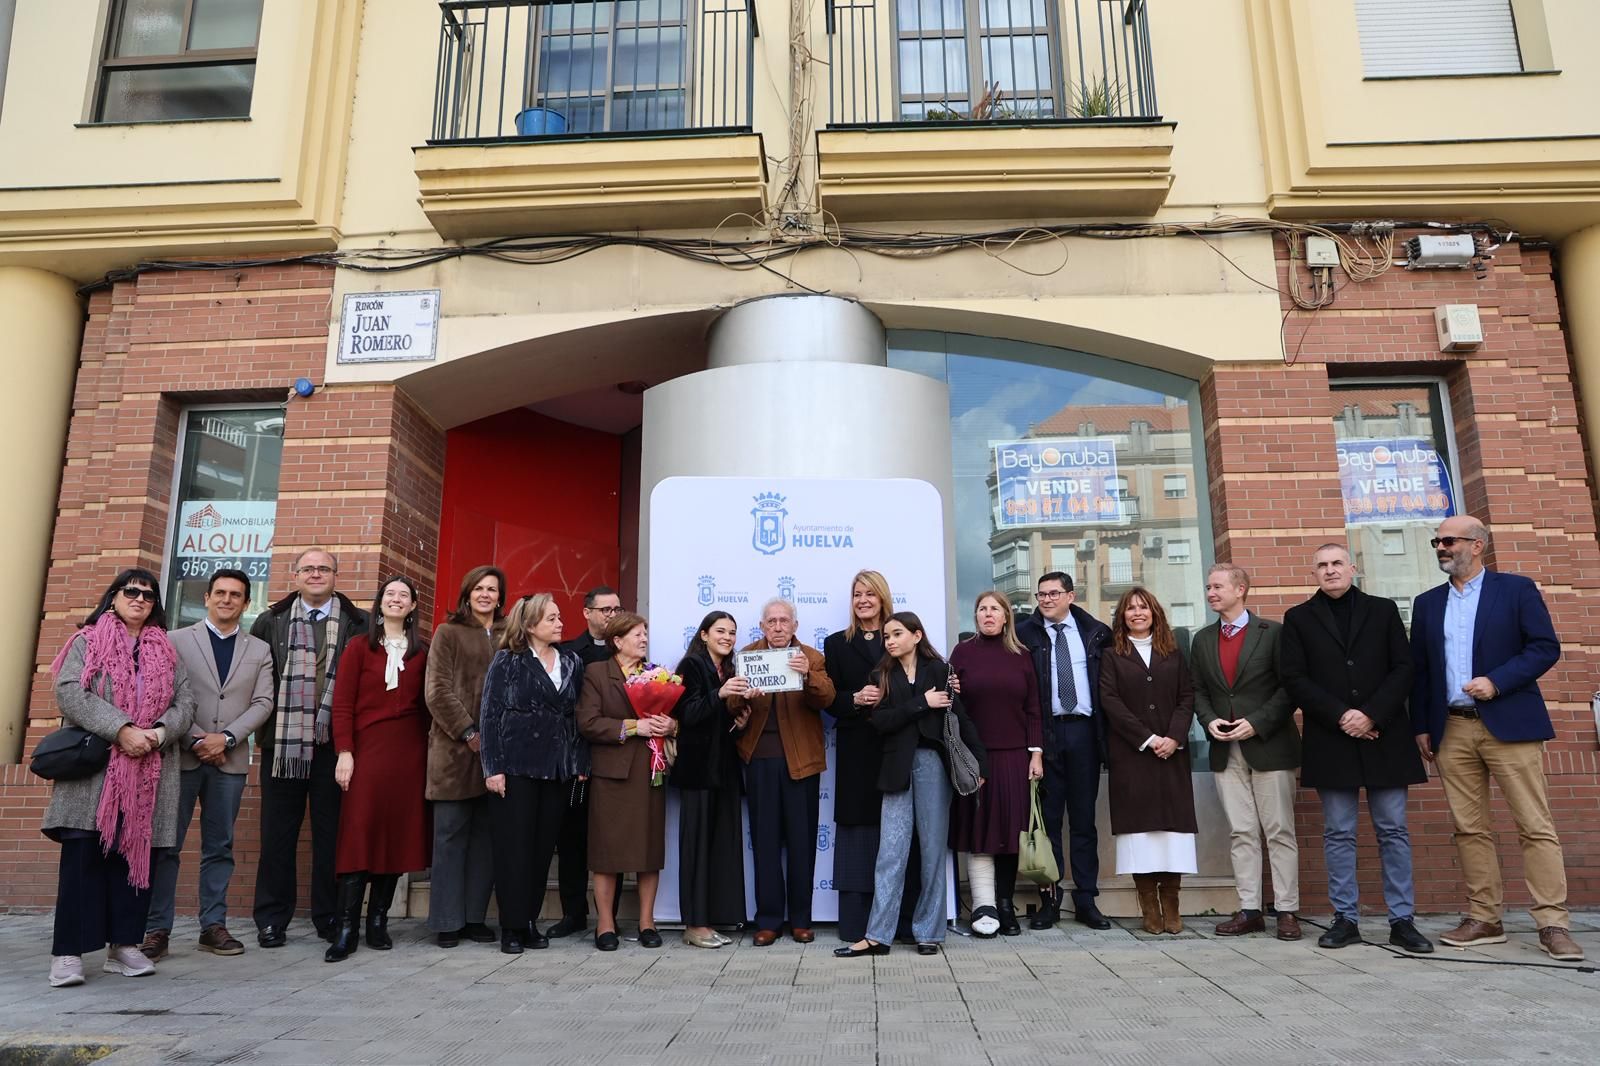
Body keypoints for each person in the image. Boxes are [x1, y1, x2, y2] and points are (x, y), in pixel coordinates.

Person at [1410, 516, 1582, 962]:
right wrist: (1422, 725)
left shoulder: (1516, 589)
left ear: (1478, 545)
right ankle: (1485, 917)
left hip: (1509, 723)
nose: (1441, 548)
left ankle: (1552, 923)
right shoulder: (1427, 603)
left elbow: (1544, 647)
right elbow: (1422, 670)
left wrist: (1497, 682)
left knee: (1535, 825)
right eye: (1437, 542)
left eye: (1449, 541)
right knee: (1470, 828)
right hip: (1452, 728)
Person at [43, 569, 196, 988]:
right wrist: (122, 729)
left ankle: (124, 946)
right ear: (113, 597)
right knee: (82, 863)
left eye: (148, 595)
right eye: (131, 591)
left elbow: (185, 701)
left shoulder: (166, 651)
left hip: (149, 773)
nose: (140, 599)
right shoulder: (86, 641)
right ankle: (67, 954)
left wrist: (160, 732)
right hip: (94, 775)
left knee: (133, 863)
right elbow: (70, 693)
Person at [1280, 543, 1432, 954]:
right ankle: (1345, 918)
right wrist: (1342, 716)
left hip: (1384, 736)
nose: (1329, 571)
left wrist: (1371, 715)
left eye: (1336, 564)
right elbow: (1293, 677)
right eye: (1321, 565)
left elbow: (1404, 668)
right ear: (1313, 573)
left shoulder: (1383, 610)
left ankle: (1402, 920)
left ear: (1353, 567)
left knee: (1393, 830)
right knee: (1339, 832)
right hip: (1331, 739)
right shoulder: (1297, 618)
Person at [834, 612, 986, 958]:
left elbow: (960, 718)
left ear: (917, 635)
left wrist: (980, 764)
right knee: (890, 853)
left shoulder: (941, 670)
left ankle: (929, 932)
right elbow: (880, 721)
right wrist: (922, 704)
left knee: (932, 852)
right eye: (886, 635)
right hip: (895, 768)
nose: (889, 640)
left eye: (896, 633)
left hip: (934, 765)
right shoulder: (881, 674)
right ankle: (878, 936)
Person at [141, 568, 274, 963]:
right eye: (220, 593)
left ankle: (212, 926)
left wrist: (227, 739)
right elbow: (161, 695)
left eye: (236, 595)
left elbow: (263, 703)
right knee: (166, 845)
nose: (227, 600)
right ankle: (156, 929)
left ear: (247, 603)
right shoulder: (175, 640)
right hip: (181, 755)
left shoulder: (259, 649)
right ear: (208, 597)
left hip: (230, 761)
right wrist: (197, 738)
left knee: (220, 846)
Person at [251, 548, 369, 948]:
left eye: (324, 569)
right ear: (295, 575)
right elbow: (256, 681)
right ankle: (271, 919)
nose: (316, 574)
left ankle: (329, 917)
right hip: (281, 746)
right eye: (308, 569)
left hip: (335, 747)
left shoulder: (359, 623)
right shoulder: (271, 621)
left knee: (330, 834)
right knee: (277, 836)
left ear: (336, 575)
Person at [1189, 564, 1302, 941]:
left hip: (1269, 746)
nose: (1210, 593)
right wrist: (1208, 721)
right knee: (1241, 832)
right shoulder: (1203, 639)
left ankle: (1286, 911)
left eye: (1217, 586)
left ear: (1241, 589)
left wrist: (1257, 722)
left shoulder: (1274, 633)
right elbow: (1199, 691)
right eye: (1207, 587)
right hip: (1226, 750)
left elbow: (1290, 689)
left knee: (1279, 831)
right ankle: (1250, 909)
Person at [324, 576, 432, 963]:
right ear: (379, 603)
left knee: (396, 836)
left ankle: (378, 922)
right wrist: (345, 752)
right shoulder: (358, 648)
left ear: (414, 605)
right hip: (366, 751)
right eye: (390, 594)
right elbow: (342, 705)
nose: (396, 599)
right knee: (359, 832)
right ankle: (347, 927)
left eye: (404, 595)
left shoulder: (423, 651)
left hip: (409, 754)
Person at [480, 593, 587, 954]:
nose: (560, 623)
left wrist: (577, 763)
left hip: (556, 770)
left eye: (559, 617)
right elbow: (490, 715)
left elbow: (576, 718)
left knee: (542, 850)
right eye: (552, 618)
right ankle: (510, 926)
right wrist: (493, 768)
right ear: (529, 626)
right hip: (515, 767)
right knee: (514, 849)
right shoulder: (508, 660)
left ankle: (528, 921)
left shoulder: (571, 661)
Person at [731, 598, 835, 946]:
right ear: (762, 626)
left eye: (784, 621)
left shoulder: (812, 656)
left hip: (801, 762)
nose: (777, 627)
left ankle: (802, 920)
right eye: (771, 621)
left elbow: (827, 699)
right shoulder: (747, 655)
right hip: (759, 760)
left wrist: (807, 674)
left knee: (803, 844)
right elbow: (732, 705)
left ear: (795, 625)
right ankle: (769, 921)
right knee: (764, 843)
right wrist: (741, 694)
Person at [823, 570, 916, 943]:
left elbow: (919, 684)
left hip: (896, 746)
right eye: (857, 594)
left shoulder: (900, 637)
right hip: (856, 749)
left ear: (883, 599)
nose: (863, 600)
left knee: (898, 833)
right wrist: (854, 699)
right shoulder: (836, 643)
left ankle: (902, 922)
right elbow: (828, 698)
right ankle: (855, 923)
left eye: (870, 594)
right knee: (857, 832)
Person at [1015, 571, 1112, 930]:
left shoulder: (1096, 633)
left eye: (1054, 593)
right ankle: (1050, 901)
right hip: (1046, 735)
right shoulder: (1024, 633)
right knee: (1049, 822)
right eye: (1041, 594)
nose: (1047, 600)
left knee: (1084, 822)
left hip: (1085, 733)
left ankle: (1087, 900)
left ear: (1071, 596)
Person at [1098, 588, 1195, 935]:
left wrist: (1174, 737)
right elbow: (1110, 701)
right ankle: (1149, 907)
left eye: (1143, 607)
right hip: (1132, 755)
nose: (1137, 613)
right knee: (1140, 836)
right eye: (1130, 609)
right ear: (1121, 616)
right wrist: (1148, 738)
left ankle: (1172, 904)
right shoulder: (1111, 656)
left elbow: (1187, 696)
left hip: (1172, 755)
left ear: (1155, 612)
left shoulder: (1174, 653)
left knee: (1172, 834)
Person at [575, 611, 671, 951]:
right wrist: (633, 727)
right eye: (636, 635)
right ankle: (605, 924)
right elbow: (588, 722)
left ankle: (647, 922)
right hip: (612, 774)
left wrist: (668, 726)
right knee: (607, 851)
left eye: (645, 633)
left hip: (649, 771)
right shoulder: (597, 673)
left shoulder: (656, 674)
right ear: (617, 641)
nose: (644, 639)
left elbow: (673, 719)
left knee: (648, 849)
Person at [423, 565, 507, 948]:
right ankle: (447, 921)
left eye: (492, 589)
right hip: (455, 754)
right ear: (467, 593)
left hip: (499, 757)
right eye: (479, 588)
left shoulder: (510, 635)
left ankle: (474, 918)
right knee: (450, 838)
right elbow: (436, 691)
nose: (486, 594)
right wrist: (468, 731)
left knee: (488, 841)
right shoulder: (448, 632)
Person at [948, 591, 1041, 938]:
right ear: (976, 617)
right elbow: (950, 706)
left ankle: (1005, 904)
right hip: (974, 758)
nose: (988, 614)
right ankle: (983, 905)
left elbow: (1034, 708)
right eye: (982, 609)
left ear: (1006, 617)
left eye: (995, 609)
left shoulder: (1022, 656)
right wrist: (952, 687)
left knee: (1009, 832)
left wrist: (1036, 753)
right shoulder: (961, 653)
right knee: (980, 831)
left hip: (1015, 755)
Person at [672, 611, 750, 948]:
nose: (728, 637)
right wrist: (718, 695)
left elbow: (720, 727)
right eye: (721, 631)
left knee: (720, 847)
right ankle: (694, 924)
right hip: (698, 772)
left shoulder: (732, 670)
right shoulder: (690, 666)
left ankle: (713, 919)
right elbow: (686, 714)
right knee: (697, 849)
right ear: (703, 634)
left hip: (725, 771)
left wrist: (739, 725)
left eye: (733, 632)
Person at [551, 585, 624, 937]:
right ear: (587, 613)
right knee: (573, 837)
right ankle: (573, 914)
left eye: (617, 610)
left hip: (616, 765)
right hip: (579, 767)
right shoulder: (568, 653)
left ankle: (609, 918)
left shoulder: (628, 655)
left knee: (613, 839)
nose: (612, 616)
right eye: (605, 610)